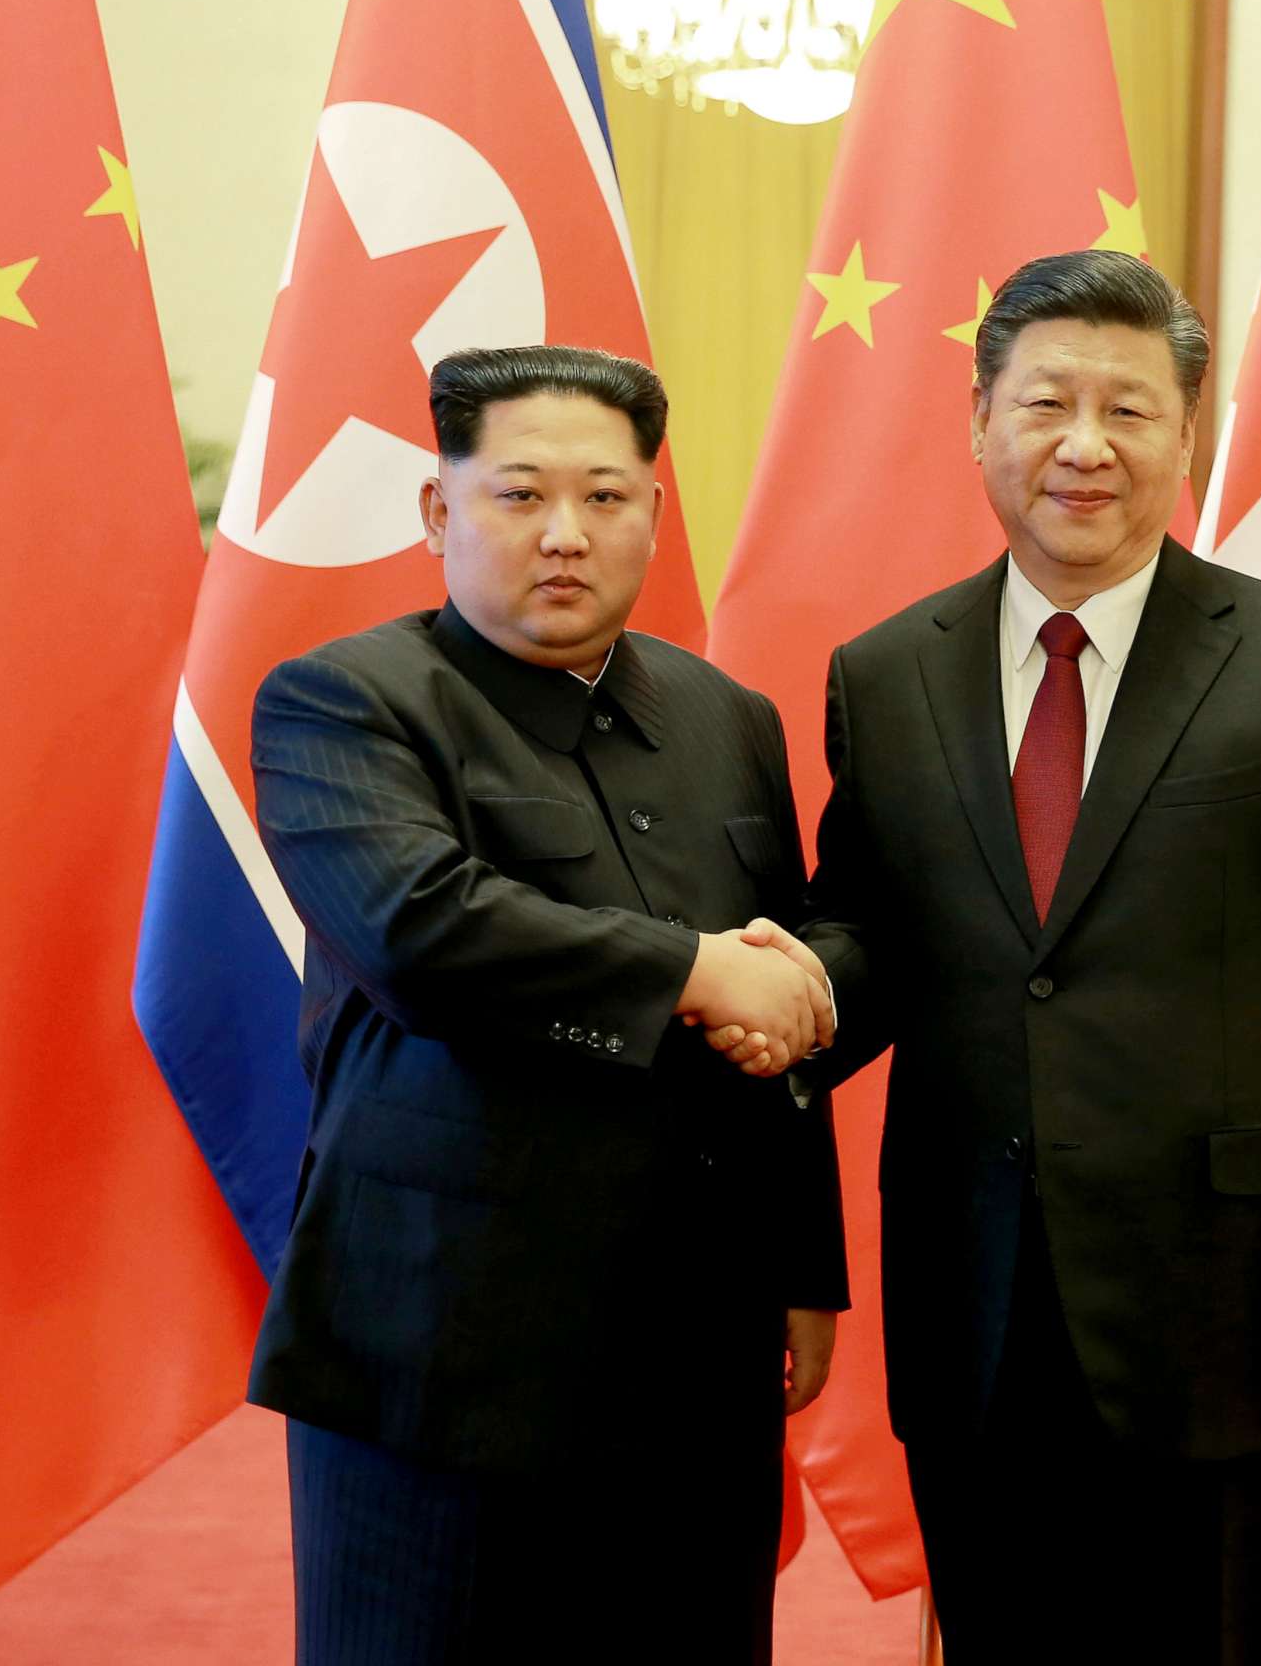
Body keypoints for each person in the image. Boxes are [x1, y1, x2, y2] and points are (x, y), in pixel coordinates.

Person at [726, 250, 1261, 1660]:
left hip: (1224, 1306)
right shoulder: (889, 672)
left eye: (1129, 409)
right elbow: (875, 927)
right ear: (980, 420)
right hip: (976, 1298)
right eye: (1046, 402)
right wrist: (789, 988)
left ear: (1185, 437)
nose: (1083, 444)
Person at [246, 344, 845, 1665]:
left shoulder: (727, 718)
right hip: (436, 1356)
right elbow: (421, 929)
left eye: (607, 498)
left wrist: (802, 1268)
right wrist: (692, 973)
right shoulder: (344, 703)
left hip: (694, 1354)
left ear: (651, 511)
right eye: (519, 496)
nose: (566, 535)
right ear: (439, 513)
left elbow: (781, 978)